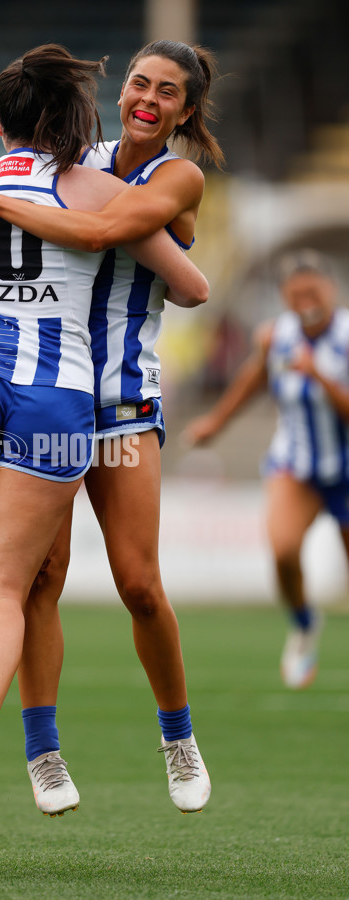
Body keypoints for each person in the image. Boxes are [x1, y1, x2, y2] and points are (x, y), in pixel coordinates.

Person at [0, 43, 209, 849]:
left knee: (137, 582)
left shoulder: (176, 176)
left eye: (166, 91)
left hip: (115, 397)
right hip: (59, 394)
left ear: (185, 111)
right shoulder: (84, 162)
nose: (146, 98)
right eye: (138, 82)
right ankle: (41, 753)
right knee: (34, 580)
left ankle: (177, 736)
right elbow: (72, 219)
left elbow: (139, 250)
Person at [183, 249, 348, 689]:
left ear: (331, 290)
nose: (305, 302)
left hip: (347, 467)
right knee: (283, 549)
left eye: (312, 292)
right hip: (296, 463)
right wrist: (215, 423)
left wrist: (320, 376)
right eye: (296, 294)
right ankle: (304, 624)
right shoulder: (277, 336)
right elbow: (253, 378)